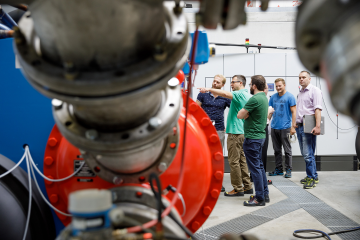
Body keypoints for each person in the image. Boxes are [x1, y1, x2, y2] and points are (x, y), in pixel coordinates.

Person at [198, 75, 253, 197]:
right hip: (241, 131)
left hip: (234, 132)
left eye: (233, 82)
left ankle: (238, 188)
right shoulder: (247, 95)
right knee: (241, 160)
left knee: (233, 161)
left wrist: (208, 89)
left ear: (240, 83)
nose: (231, 85)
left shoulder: (238, 94)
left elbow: (226, 94)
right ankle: (247, 186)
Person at [237, 75, 269, 206]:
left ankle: (259, 198)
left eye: (250, 84)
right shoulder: (264, 98)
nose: (250, 86)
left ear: (254, 86)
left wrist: (246, 115)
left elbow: (240, 115)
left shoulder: (255, 99)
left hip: (252, 139)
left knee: (255, 169)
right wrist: (247, 114)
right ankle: (264, 194)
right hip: (260, 136)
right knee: (260, 167)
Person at [196, 74, 231, 192]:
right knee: (204, 155)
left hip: (219, 129)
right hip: (204, 129)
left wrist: (229, 125)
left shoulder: (225, 97)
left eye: (217, 82)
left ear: (222, 85)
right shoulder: (203, 94)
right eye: (214, 81)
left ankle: (218, 183)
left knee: (218, 157)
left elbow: (234, 110)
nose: (215, 83)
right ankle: (204, 181)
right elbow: (196, 109)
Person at [295, 71, 322, 189]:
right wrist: (295, 123)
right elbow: (300, 110)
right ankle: (312, 175)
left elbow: (318, 109)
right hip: (300, 125)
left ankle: (312, 178)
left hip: (309, 123)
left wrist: (317, 126)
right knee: (305, 153)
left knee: (308, 154)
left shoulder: (315, 90)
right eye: (300, 77)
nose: (301, 79)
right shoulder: (300, 93)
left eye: (304, 77)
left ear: (309, 79)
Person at [268, 78, 297, 178]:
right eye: (276, 86)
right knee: (277, 150)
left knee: (287, 150)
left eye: (280, 85)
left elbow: (294, 112)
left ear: (284, 85)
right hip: (274, 127)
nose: (278, 88)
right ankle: (279, 169)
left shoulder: (290, 97)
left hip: (286, 127)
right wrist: (267, 122)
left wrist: (293, 127)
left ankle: (288, 170)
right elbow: (270, 111)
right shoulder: (273, 97)